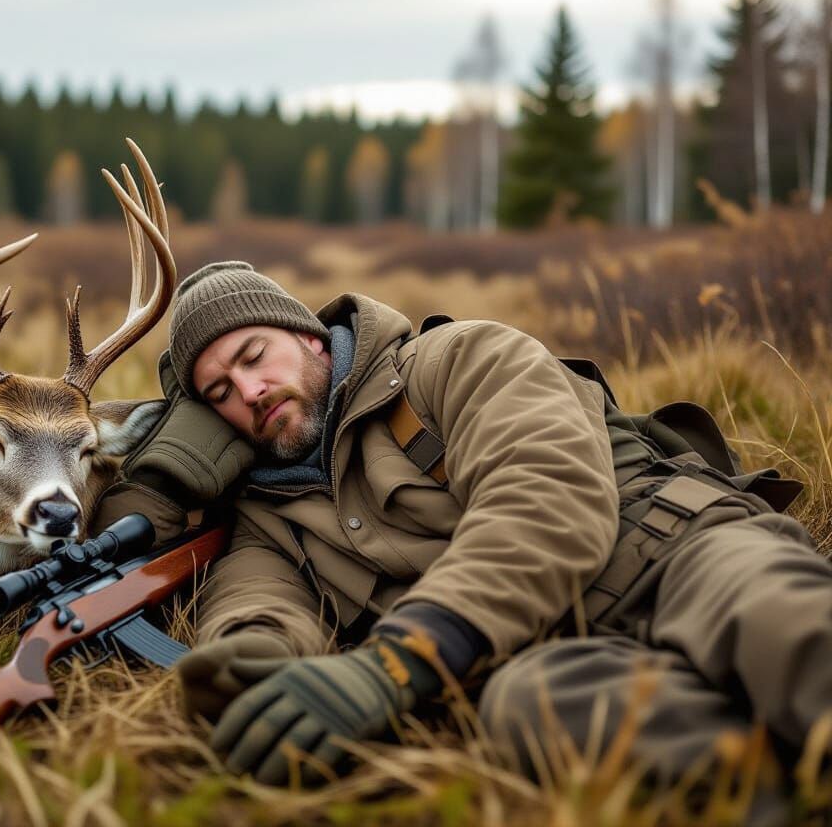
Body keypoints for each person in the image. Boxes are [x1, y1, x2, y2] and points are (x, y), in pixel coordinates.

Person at [94, 261, 832, 804]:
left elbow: (544, 498)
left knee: (783, 626)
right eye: (217, 394)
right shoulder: (264, 521)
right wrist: (252, 662)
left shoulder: (458, 360)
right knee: (531, 712)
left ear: (311, 338)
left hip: (681, 555)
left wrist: (394, 664)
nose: (248, 392)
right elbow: (258, 604)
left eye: (253, 357)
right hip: (552, 651)